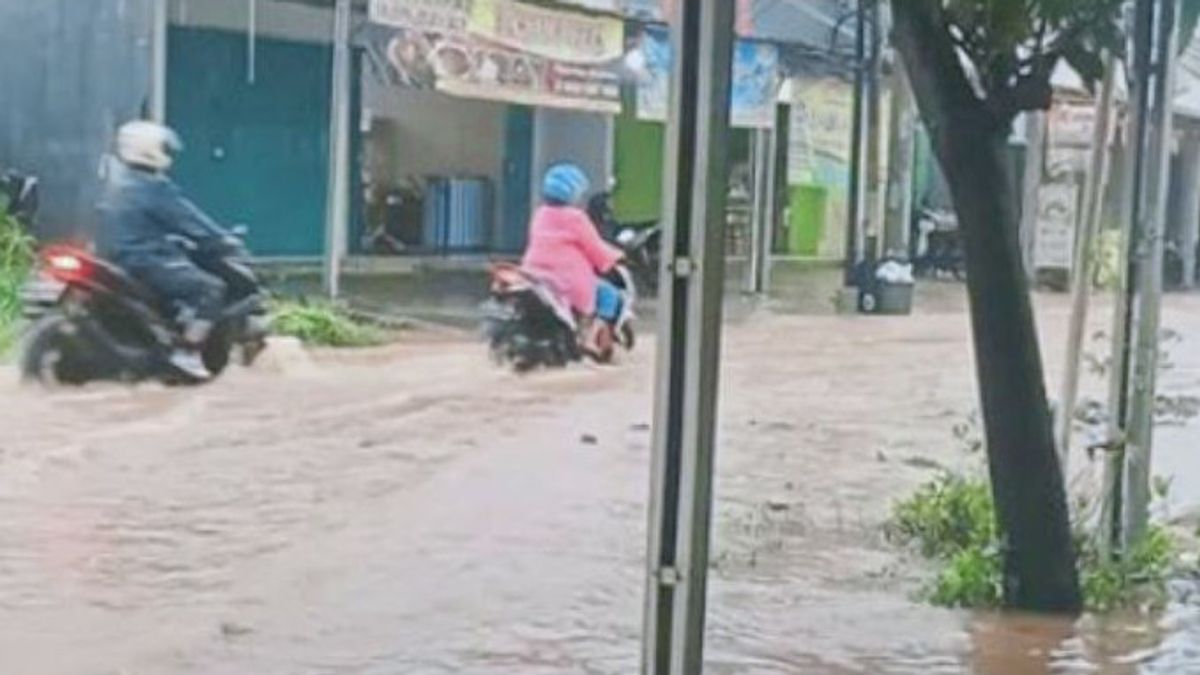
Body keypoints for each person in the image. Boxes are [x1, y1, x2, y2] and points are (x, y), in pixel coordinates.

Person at [97, 120, 235, 380]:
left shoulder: (116, 181)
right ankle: (187, 353)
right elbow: (188, 219)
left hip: (115, 260)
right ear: (150, 150)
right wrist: (219, 238)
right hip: (145, 261)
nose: (167, 152)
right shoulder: (152, 186)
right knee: (211, 289)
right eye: (163, 147)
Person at [521, 164, 624, 354]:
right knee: (609, 294)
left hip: (533, 273)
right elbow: (595, 248)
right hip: (567, 280)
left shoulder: (540, 214)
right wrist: (614, 257)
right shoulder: (576, 218)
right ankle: (592, 339)